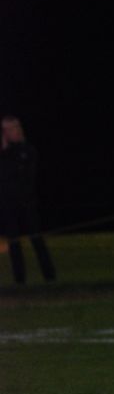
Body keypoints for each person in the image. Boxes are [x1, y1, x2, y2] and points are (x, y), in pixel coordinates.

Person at [0, 115, 56, 284]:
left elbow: (24, 177)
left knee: (36, 239)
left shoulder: (28, 150)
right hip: (8, 206)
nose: (14, 131)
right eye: (8, 129)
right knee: (14, 243)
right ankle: (20, 280)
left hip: (27, 204)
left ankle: (50, 277)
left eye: (15, 127)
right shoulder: (3, 154)